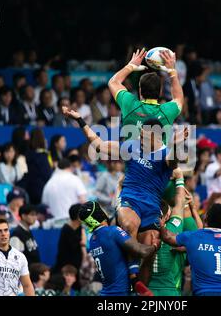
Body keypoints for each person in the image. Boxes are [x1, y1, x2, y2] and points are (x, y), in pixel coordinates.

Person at [62, 108, 185, 284]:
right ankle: (132, 268)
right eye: (140, 133)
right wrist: (80, 119)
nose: (140, 137)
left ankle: (140, 288)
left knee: (151, 246)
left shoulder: (166, 153)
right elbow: (99, 145)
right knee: (130, 223)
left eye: (143, 135)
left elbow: (173, 163)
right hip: (130, 198)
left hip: (151, 206)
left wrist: (177, 144)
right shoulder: (131, 146)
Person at [78, 201, 159, 296]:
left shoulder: (92, 240)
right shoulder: (112, 232)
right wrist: (155, 246)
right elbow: (141, 251)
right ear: (99, 213)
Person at [160, 203, 221, 296]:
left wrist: (160, 223)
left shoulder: (194, 237)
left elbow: (167, 237)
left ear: (206, 218)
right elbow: (213, 251)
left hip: (205, 292)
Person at [108, 48, 183, 141]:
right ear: (160, 92)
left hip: (130, 155)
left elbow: (113, 82)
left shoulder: (130, 104)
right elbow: (179, 98)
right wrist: (172, 71)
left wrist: (130, 66)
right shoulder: (167, 111)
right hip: (159, 156)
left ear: (140, 91)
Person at [149, 168, 201, 296]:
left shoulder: (141, 231)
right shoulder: (174, 229)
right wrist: (180, 179)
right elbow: (200, 235)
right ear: (167, 215)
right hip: (170, 291)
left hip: (146, 291)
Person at [53, 204, 86, 286]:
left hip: (78, 268)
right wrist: (83, 243)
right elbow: (75, 247)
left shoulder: (80, 228)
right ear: (78, 216)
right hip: (67, 269)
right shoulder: (67, 229)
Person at [19, 128, 52, 204]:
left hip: (30, 189)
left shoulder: (28, 154)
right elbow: (47, 174)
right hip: (41, 190)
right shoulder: (43, 156)